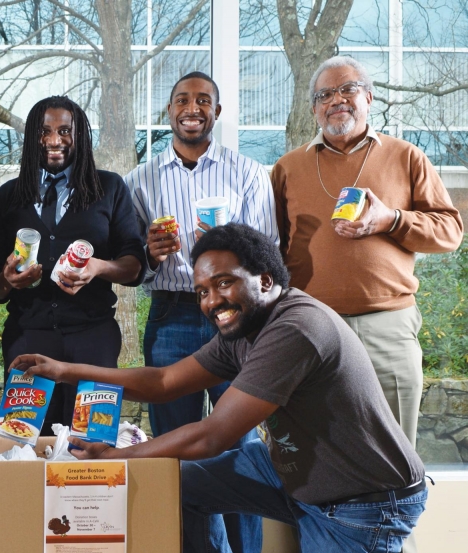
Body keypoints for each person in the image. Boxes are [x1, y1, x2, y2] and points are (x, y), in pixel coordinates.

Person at [14, 223, 427, 553]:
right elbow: (163, 381)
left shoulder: (296, 329)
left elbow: (213, 436)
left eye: (225, 283)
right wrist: (65, 370)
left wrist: (120, 458)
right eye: (202, 292)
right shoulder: (244, 327)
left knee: (169, 466)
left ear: (265, 280)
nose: (212, 301)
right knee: (178, 485)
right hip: (292, 472)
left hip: (361, 503)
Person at [271, 56, 463, 450]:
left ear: (370, 97)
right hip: (312, 325)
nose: (337, 100)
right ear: (314, 108)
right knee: (313, 447)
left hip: (388, 326)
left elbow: (449, 231)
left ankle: (394, 513)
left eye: (348, 88)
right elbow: (271, 246)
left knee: (392, 451)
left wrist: (391, 220)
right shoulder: (288, 167)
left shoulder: (406, 156)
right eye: (325, 94)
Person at [124, 72, 274, 552]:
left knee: (242, 448)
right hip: (172, 314)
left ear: (217, 112)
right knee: (173, 448)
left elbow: (268, 253)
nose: (193, 107)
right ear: (168, 112)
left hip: (237, 320)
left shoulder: (248, 173)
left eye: (203, 100)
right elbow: (133, 268)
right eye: (183, 100)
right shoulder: (139, 180)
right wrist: (150, 254)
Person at [0, 95, 145, 433]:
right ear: (31, 138)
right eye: (44, 132)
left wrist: (98, 267)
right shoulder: (6, 199)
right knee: (23, 441)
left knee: (92, 441)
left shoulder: (110, 188)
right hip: (28, 339)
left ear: (80, 136)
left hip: (93, 340)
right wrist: (8, 281)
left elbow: (134, 266)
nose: (54, 141)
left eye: (65, 131)